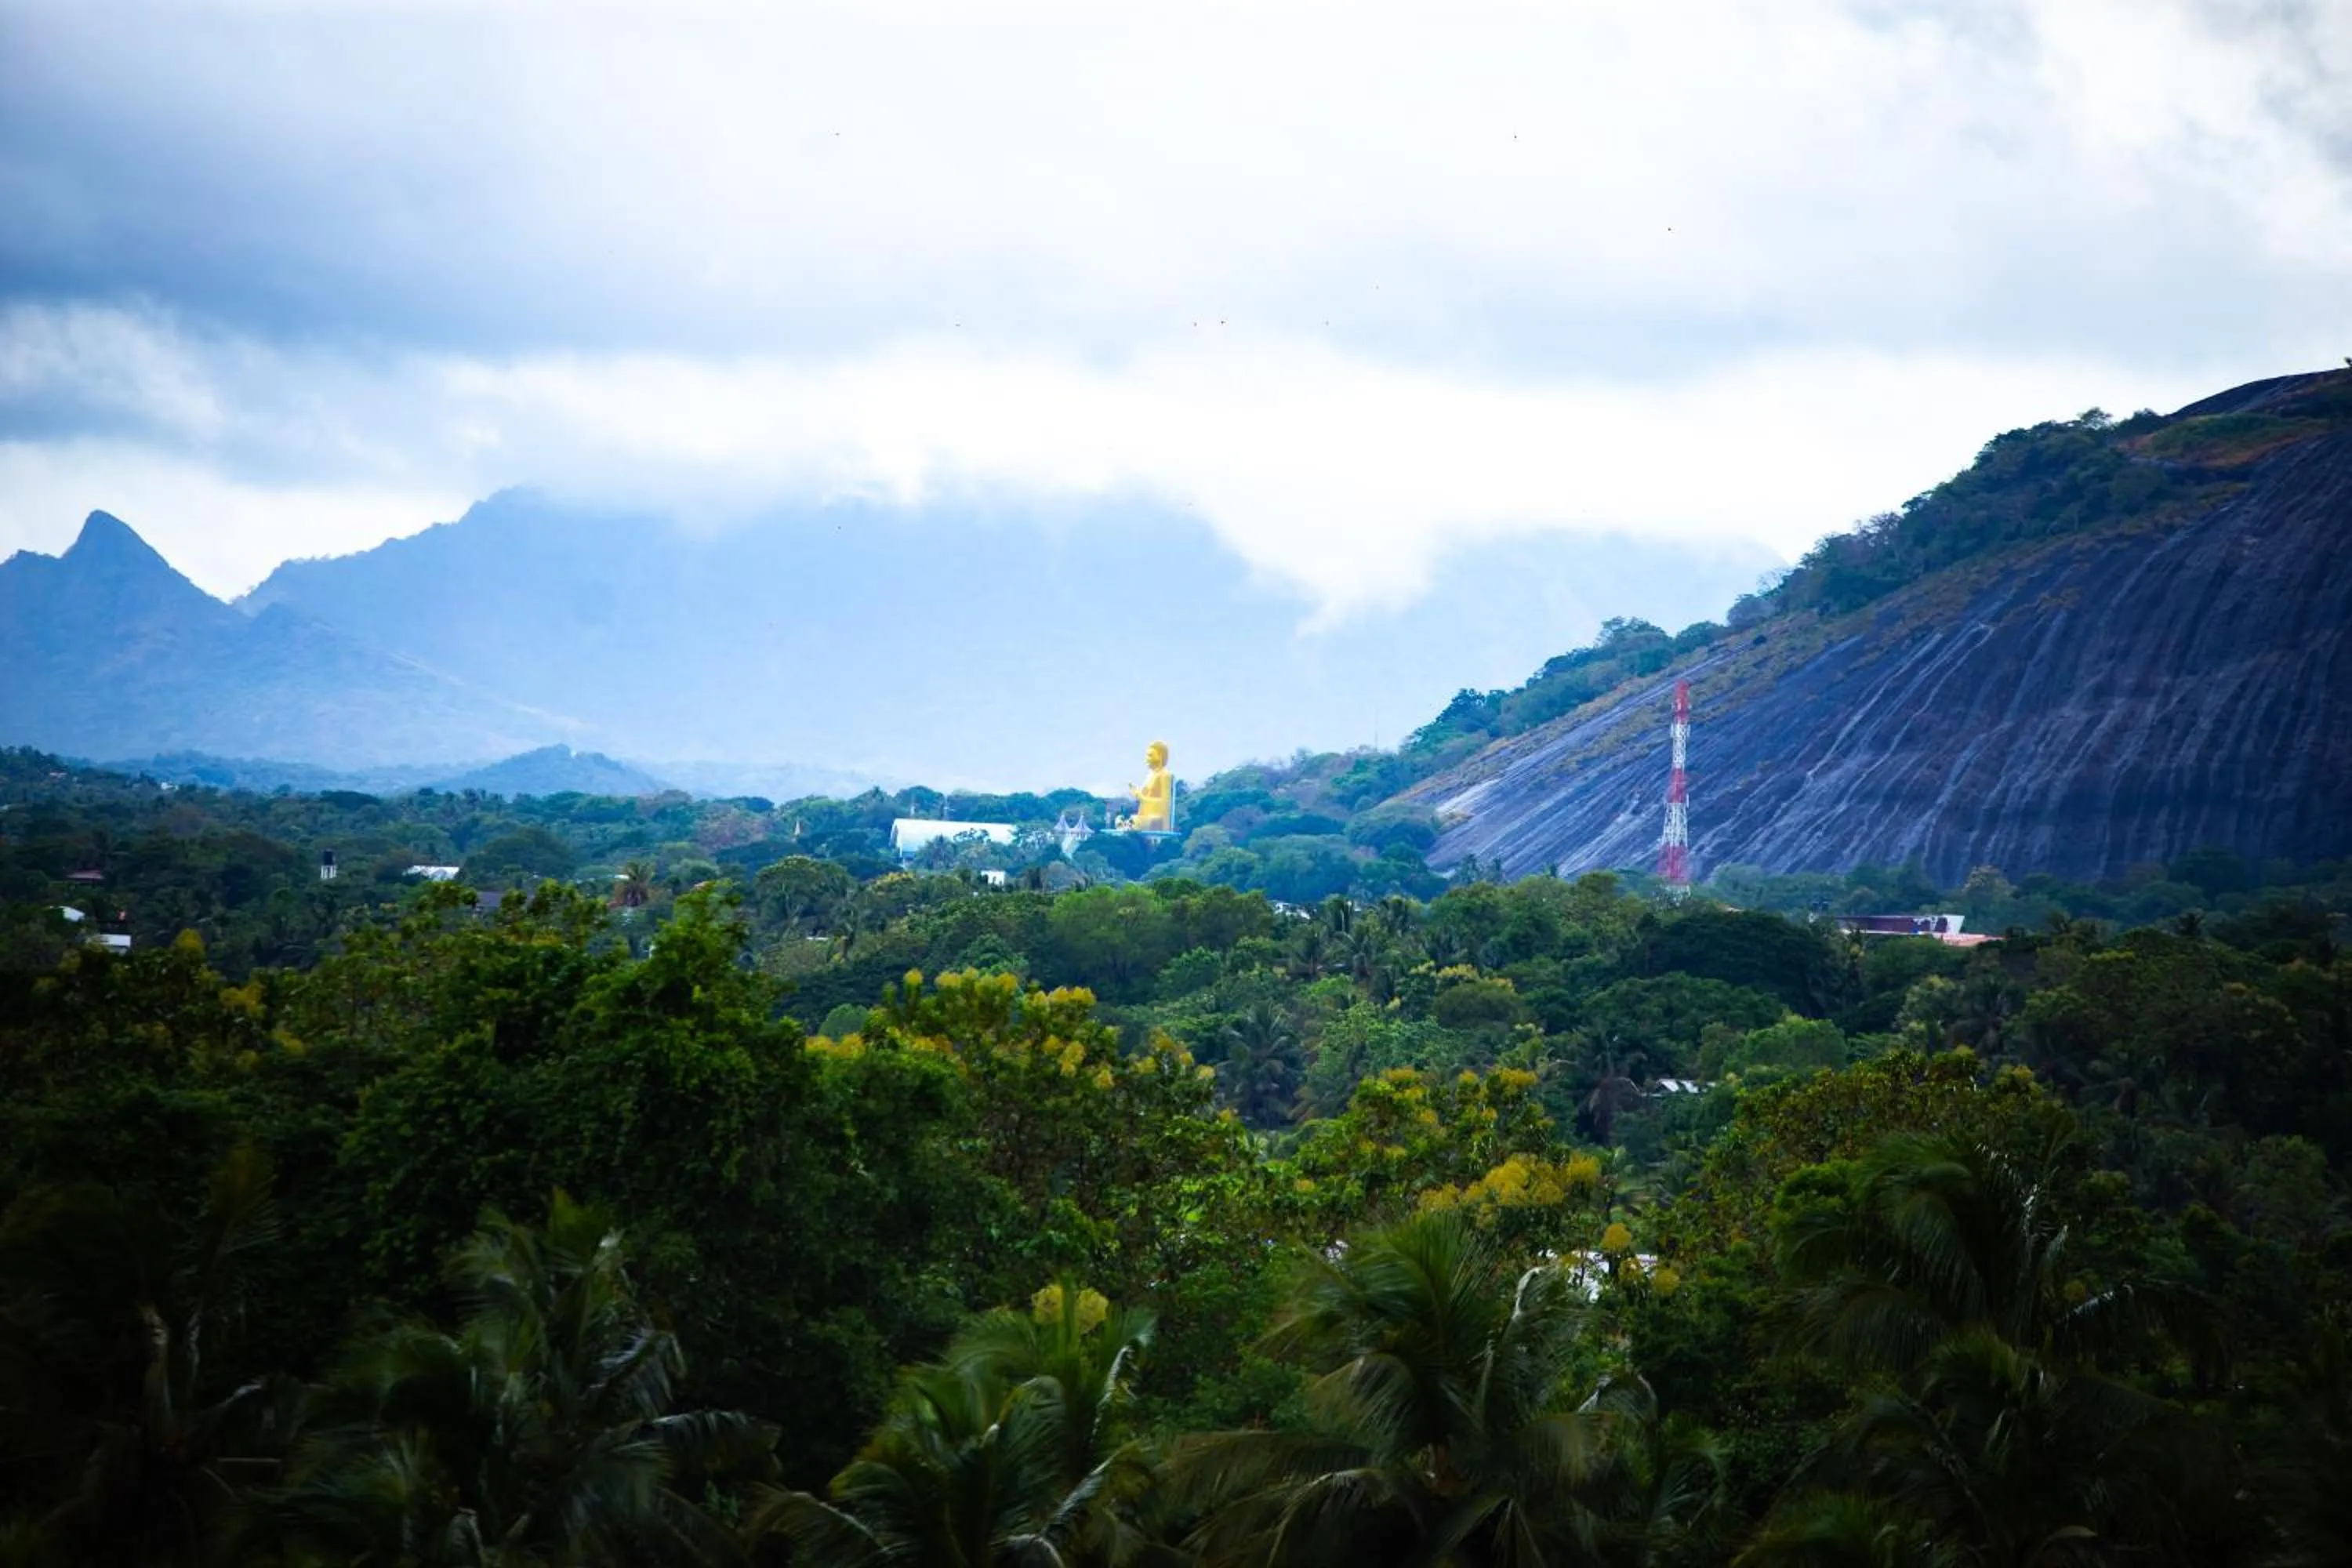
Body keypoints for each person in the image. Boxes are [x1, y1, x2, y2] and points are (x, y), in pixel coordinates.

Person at [1120, 740, 1174, 833]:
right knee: (1128, 819)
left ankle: (1127, 825)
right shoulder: (1150, 775)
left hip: (1158, 821)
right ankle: (1126, 825)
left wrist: (1141, 798)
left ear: (1160, 756)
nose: (1147, 759)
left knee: (1135, 822)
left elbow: (1165, 803)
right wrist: (1137, 793)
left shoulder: (1165, 775)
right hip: (1146, 816)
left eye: (1150, 755)